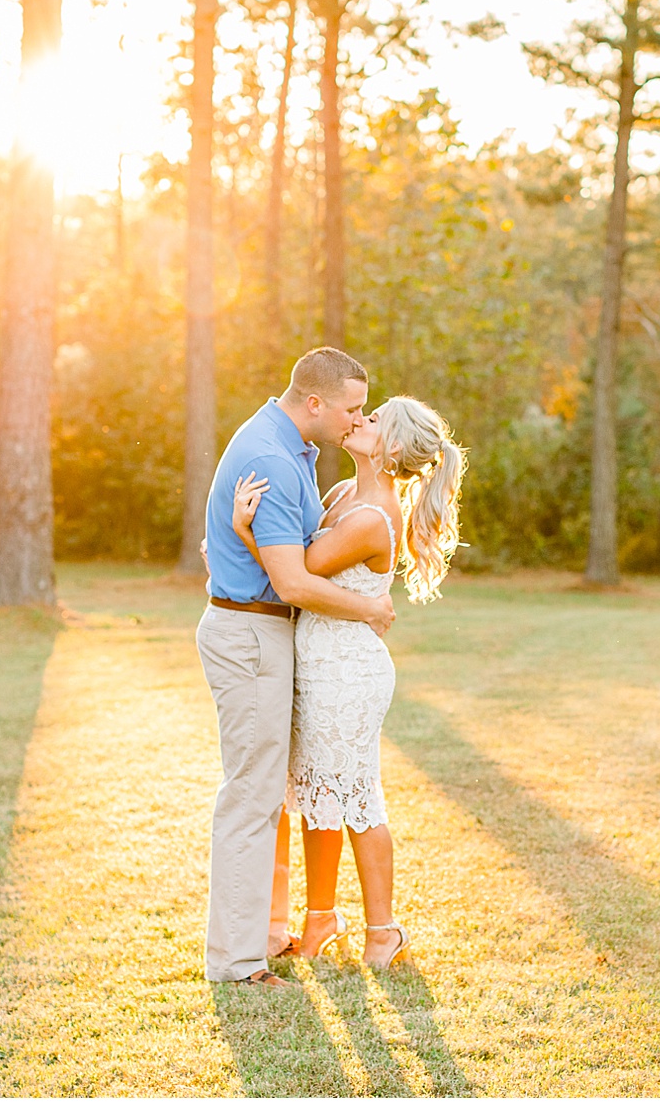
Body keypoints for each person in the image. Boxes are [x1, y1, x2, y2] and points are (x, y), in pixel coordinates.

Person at [232, 395, 466, 971]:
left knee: (357, 797)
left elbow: (299, 571)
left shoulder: (370, 518)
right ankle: (321, 920)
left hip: (349, 672)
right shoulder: (341, 496)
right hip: (314, 663)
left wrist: (245, 531)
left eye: (375, 418)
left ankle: (382, 931)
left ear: (388, 448)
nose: (360, 419)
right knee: (316, 796)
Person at [196, 347, 397, 990]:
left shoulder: (297, 453)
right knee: (252, 800)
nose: (356, 419)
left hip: (264, 634)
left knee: (266, 797)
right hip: (252, 635)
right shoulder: (273, 459)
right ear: (315, 403)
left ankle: (268, 936)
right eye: (352, 408)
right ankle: (237, 962)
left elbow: (294, 557)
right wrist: (369, 608)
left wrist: (240, 538)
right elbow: (291, 582)